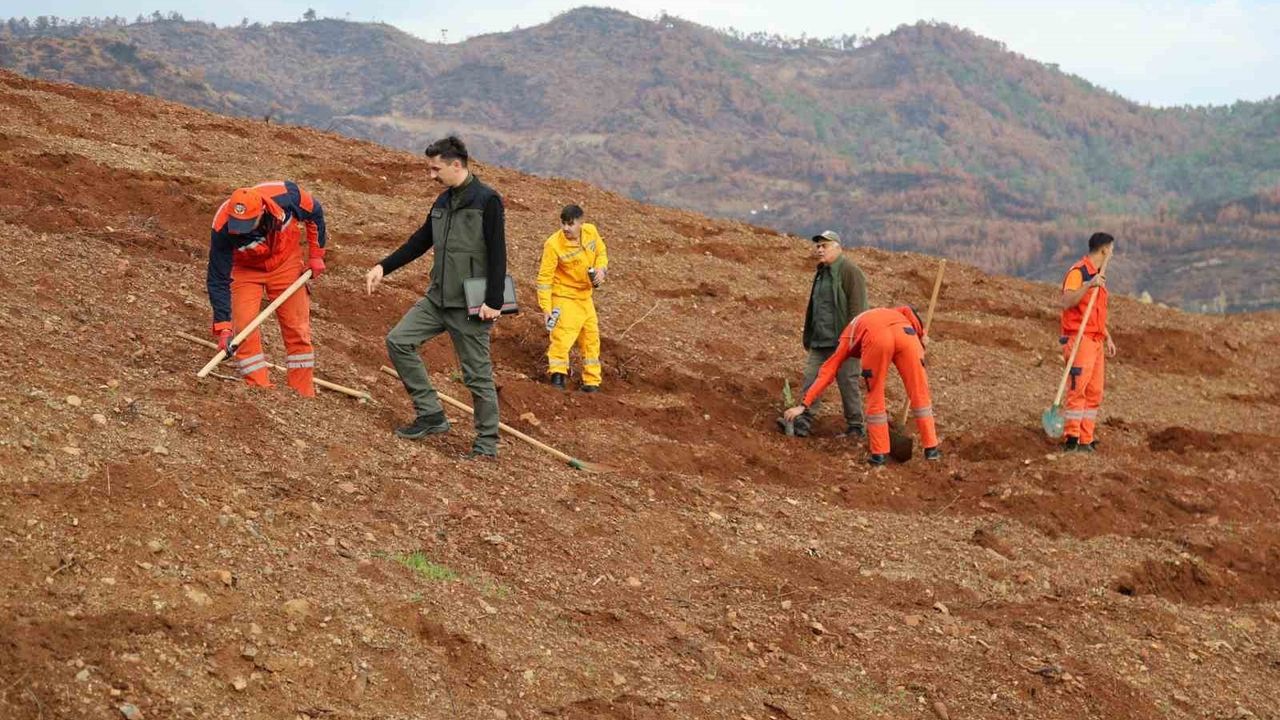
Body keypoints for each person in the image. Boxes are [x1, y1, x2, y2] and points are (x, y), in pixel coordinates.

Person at [365, 136, 507, 459]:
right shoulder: (442, 202)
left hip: (472, 303)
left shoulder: (487, 201)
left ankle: (486, 444)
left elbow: (499, 254)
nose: (431, 175)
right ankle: (431, 414)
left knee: (477, 376)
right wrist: (382, 267)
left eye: (435, 169)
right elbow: (420, 241)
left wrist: (494, 301)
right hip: (437, 298)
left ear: (456, 165)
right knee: (398, 341)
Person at [206, 180, 327, 396]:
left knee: (297, 328)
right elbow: (218, 279)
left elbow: (315, 214)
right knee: (243, 329)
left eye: (247, 225)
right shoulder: (223, 226)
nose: (240, 231)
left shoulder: (288, 196)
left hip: (285, 262)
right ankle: (261, 390)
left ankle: (302, 393)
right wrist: (223, 326)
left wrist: (317, 255)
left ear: (261, 212)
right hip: (245, 271)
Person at [783, 306, 941, 465]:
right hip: (907, 334)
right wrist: (921, 335)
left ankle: (879, 455)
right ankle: (932, 449)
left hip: (877, 338)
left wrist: (804, 404)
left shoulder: (846, 337)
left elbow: (828, 371)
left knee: (875, 393)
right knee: (920, 392)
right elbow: (908, 310)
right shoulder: (885, 312)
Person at [780, 230, 868, 438]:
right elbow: (816, 307)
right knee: (811, 378)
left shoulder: (850, 271)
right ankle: (803, 420)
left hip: (844, 342)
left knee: (847, 382)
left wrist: (853, 340)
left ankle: (856, 427)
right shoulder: (822, 272)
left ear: (838, 247)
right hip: (820, 340)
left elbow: (858, 309)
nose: (819, 250)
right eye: (818, 246)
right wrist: (810, 336)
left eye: (824, 246)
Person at [536, 204, 609, 392]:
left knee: (591, 338)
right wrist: (546, 308)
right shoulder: (553, 244)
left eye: (570, 224)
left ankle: (592, 382)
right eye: (563, 223)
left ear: (581, 223)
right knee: (562, 336)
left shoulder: (591, 232)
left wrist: (601, 270)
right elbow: (544, 279)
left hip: (585, 297)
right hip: (564, 295)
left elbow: (601, 252)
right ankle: (557, 377)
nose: (566, 228)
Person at [1058, 232, 1117, 452]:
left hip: (1095, 340)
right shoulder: (1079, 272)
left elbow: (1094, 312)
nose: (1112, 253)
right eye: (1111, 249)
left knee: (1094, 392)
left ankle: (1086, 437)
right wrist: (1089, 285)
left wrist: (1107, 336)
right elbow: (1066, 301)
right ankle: (1071, 438)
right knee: (1078, 389)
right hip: (1079, 339)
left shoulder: (1098, 276)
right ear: (1104, 250)